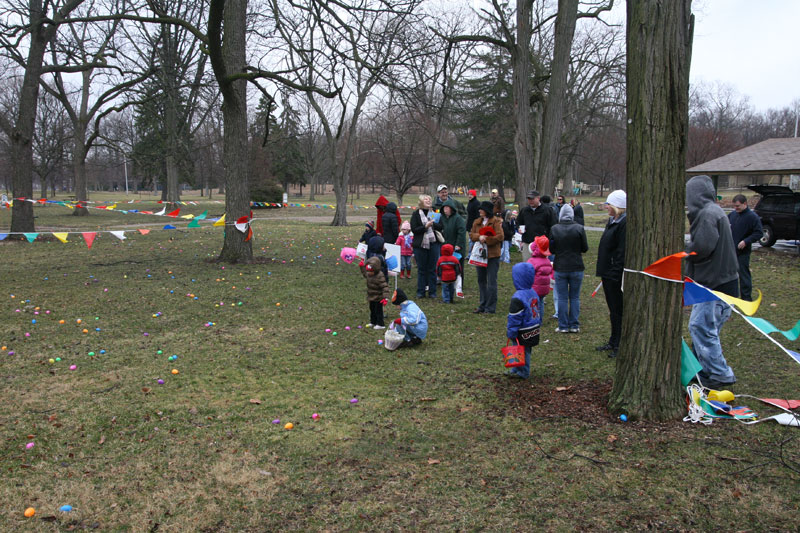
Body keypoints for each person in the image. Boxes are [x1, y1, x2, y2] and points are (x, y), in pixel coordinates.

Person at [686, 175, 739, 390]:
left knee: (701, 327)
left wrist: (683, 250)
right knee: (706, 328)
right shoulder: (714, 212)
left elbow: (702, 248)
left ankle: (720, 376)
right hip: (721, 281)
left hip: (715, 285)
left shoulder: (708, 214)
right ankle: (703, 368)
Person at [595, 190, 627, 358]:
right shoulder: (612, 221)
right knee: (612, 310)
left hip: (615, 274)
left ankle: (619, 343)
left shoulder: (623, 224)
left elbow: (621, 251)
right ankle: (613, 340)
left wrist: (615, 271)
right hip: (607, 272)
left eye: (609, 204)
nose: (606, 207)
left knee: (618, 311)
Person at [549, 204, 588, 333]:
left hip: (560, 266)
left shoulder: (554, 229)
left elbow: (552, 249)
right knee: (575, 297)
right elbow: (584, 248)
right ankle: (574, 325)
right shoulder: (579, 228)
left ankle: (563, 325)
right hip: (576, 265)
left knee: (562, 297)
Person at [505, 262, 542, 380]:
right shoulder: (533, 292)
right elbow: (539, 309)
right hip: (533, 326)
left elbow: (514, 317)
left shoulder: (518, 297)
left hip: (522, 329)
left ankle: (524, 372)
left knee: (523, 350)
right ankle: (516, 367)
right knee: (522, 349)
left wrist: (511, 331)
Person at [470, 201, 504, 314]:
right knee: (481, 280)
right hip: (480, 256)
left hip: (493, 255)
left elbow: (500, 236)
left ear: (487, 210)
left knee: (491, 281)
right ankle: (482, 304)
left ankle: (490, 307)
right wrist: (479, 236)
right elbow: (471, 235)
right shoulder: (477, 222)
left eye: (482, 209)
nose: (479, 211)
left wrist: (487, 239)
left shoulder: (496, 221)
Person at [728, 194, 763, 301]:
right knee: (729, 276)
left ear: (745, 204)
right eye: (734, 206)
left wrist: (746, 241)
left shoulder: (753, 217)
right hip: (730, 251)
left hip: (742, 252)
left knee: (743, 275)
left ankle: (746, 298)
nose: (736, 208)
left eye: (738, 206)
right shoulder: (732, 215)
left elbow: (759, 233)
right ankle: (731, 297)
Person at [410, 194, 443, 299]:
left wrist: (433, 225)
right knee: (421, 269)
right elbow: (414, 229)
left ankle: (432, 292)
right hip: (420, 245)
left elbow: (441, 227)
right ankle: (421, 291)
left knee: (432, 269)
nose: (428, 201)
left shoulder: (435, 214)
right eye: (426, 199)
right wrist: (425, 227)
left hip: (434, 244)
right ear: (421, 202)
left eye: (429, 199)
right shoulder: (416, 214)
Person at [518, 190, 556, 261]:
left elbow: (553, 225)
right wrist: (519, 228)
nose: (530, 201)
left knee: (542, 265)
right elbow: (519, 222)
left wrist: (548, 239)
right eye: (529, 199)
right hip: (527, 241)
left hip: (542, 243)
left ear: (538, 198)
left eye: (532, 199)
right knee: (528, 264)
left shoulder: (547, 210)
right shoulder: (524, 211)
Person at [440, 198, 467, 292]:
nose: (445, 209)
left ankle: (459, 285)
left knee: (458, 267)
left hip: (456, 248)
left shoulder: (458, 219)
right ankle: (447, 284)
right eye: (444, 207)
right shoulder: (442, 218)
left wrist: (458, 244)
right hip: (445, 248)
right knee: (447, 267)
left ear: (451, 208)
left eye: (447, 207)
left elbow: (461, 232)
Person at [527, 235, 554, 321]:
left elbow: (528, 273)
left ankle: (534, 319)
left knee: (533, 303)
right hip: (544, 288)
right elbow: (549, 271)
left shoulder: (531, 261)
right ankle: (540, 319)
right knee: (541, 302)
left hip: (534, 287)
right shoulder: (547, 261)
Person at [360, 256, 390, 329]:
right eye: (368, 271)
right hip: (371, 296)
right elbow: (364, 274)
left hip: (379, 297)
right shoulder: (369, 274)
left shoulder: (380, 276)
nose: (369, 273)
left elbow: (385, 287)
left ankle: (380, 324)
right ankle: (373, 322)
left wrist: (385, 298)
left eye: (371, 271)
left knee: (378, 311)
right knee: (372, 309)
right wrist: (362, 267)